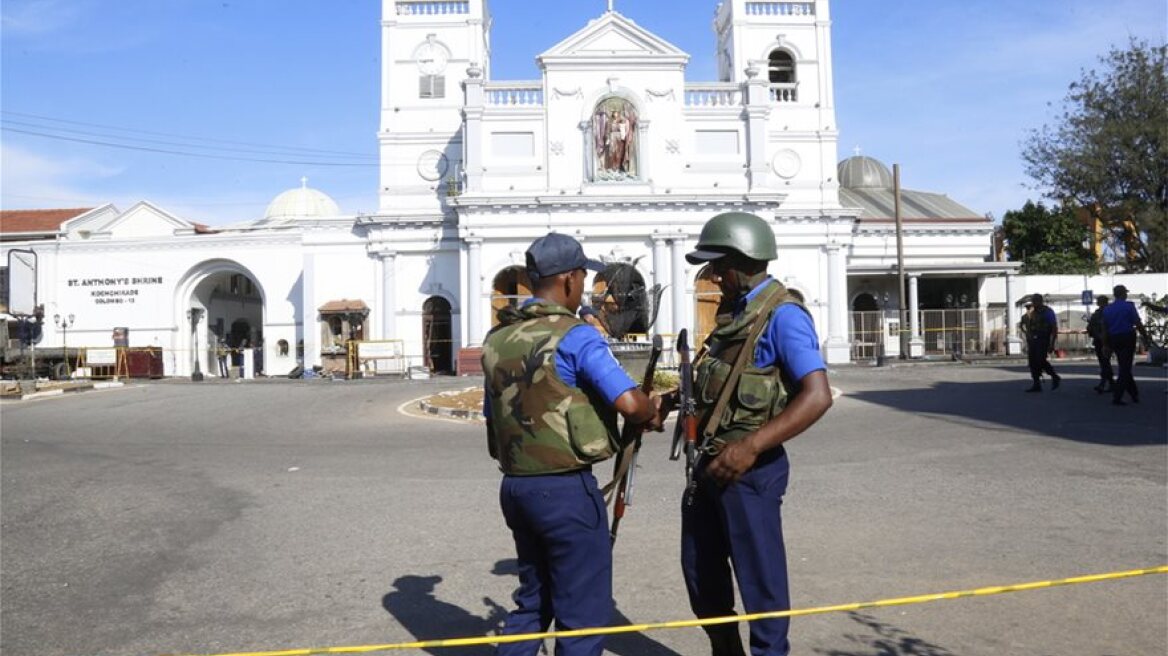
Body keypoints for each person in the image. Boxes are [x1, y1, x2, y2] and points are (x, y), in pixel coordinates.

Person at [481, 232, 663, 656]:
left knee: (533, 602)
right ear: (568, 280)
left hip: (516, 487)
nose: (585, 286)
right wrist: (653, 412)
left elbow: (495, 422)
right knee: (581, 615)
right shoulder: (576, 336)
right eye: (583, 277)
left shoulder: (496, 341)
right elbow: (631, 403)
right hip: (565, 491)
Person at [671, 212, 833, 656]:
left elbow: (817, 396)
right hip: (709, 467)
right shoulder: (736, 315)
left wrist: (751, 446)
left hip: (750, 473)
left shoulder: (783, 316)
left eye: (718, 266)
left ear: (743, 261)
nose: (713, 276)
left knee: (760, 584)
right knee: (702, 575)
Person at [1102, 284, 1150, 406]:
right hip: (1127, 337)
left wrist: (1105, 344)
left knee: (1124, 365)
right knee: (1125, 367)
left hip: (1114, 338)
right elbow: (1137, 323)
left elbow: (1105, 328)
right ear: (1123, 294)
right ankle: (1117, 396)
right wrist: (1145, 337)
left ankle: (1134, 394)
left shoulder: (1108, 309)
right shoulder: (1129, 306)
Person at [1022, 293, 1061, 392]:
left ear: (1040, 301)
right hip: (1033, 340)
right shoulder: (1032, 312)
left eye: (1035, 301)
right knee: (1032, 362)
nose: (1033, 303)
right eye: (1033, 301)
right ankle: (1036, 384)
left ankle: (1054, 376)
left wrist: (1052, 343)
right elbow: (1026, 325)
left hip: (1043, 339)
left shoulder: (1047, 312)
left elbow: (1053, 327)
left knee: (1040, 360)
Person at [1086, 295, 1113, 394]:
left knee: (1104, 362)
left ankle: (1103, 383)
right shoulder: (1099, 313)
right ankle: (1111, 383)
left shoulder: (1106, 312)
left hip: (1105, 340)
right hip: (1100, 339)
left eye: (1099, 301)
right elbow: (1090, 327)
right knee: (1104, 362)